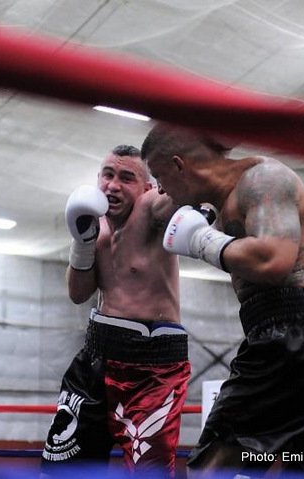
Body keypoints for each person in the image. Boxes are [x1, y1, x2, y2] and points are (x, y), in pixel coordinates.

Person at [141, 124, 304, 477]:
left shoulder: (262, 181)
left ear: (179, 165)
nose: (160, 188)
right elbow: (157, 210)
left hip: (294, 335)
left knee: (211, 467)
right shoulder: (218, 199)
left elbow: (273, 261)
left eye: (158, 176)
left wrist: (201, 240)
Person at [41, 145, 190, 478]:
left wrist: (179, 180)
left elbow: (177, 202)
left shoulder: (151, 209)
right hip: (95, 358)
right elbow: (78, 294)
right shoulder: (93, 225)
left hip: (152, 370)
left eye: (127, 178)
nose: (113, 186)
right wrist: (82, 244)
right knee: (60, 468)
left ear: (147, 187)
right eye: (107, 175)